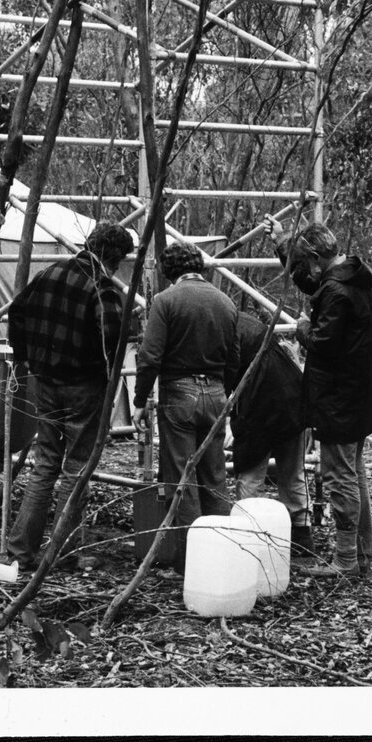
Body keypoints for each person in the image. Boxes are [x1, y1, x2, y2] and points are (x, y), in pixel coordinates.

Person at [264, 217, 372, 578]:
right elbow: (309, 279)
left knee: (340, 478)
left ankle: (347, 560)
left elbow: (324, 342)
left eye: (307, 262)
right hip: (359, 396)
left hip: (341, 400)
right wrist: (283, 242)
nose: (305, 272)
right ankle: (362, 552)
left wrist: (303, 328)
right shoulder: (350, 277)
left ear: (318, 259)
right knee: (355, 474)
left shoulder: (337, 292)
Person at [4, 221, 135, 571]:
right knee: (77, 468)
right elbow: (112, 341)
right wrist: (110, 381)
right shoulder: (102, 286)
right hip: (83, 387)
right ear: (116, 258)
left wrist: (26, 358)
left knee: (46, 462)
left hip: (44, 381)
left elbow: (16, 311)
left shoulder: (49, 273)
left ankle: (21, 550)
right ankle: (62, 554)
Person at [131, 243, 240, 570]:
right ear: (201, 267)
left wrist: (139, 401)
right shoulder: (226, 302)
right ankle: (222, 555)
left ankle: (193, 564)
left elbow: (150, 357)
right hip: (217, 394)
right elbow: (234, 358)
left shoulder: (166, 301)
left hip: (179, 393)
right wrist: (227, 395)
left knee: (182, 479)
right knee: (215, 475)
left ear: (168, 272)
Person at [230, 308, 315, 558]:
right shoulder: (251, 327)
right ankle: (301, 533)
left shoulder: (229, 329)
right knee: (292, 472)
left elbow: (231, 370)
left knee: (250, 472)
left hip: (262, 403)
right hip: (292, 399)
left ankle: (248, 533)